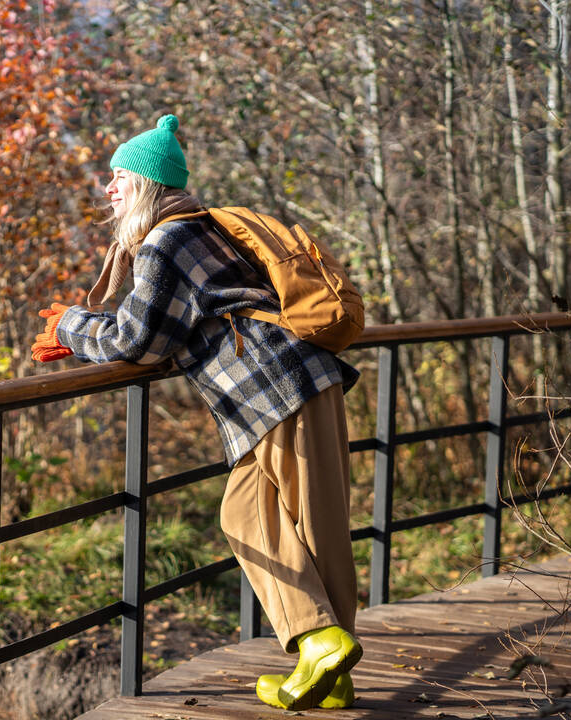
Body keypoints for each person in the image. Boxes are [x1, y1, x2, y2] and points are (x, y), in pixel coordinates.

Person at [31, 114, 362, 711]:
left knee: (301, 524)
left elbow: (140, 341)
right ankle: (328, 661)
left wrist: (70, 326)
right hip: (289, 381)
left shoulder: (165, 241)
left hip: (273, 387)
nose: (108, 188)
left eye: (119, 176)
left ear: (148, 185)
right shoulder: (200, 230)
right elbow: (167, 322)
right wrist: (86, 329)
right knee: (263, 517)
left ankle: (325, 652)